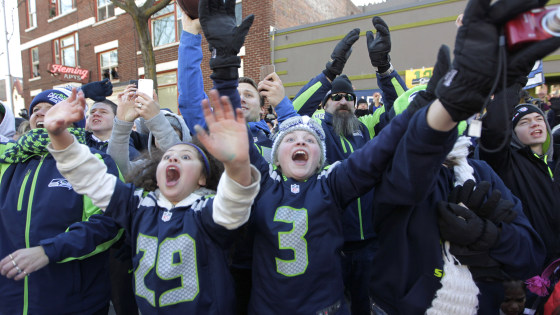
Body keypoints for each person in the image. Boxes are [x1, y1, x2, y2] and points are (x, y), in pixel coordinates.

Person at [368, 0, 556, 312]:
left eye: (448, 112)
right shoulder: (392, 176)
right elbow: (413, 165)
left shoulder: (480, 171)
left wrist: (492, 237)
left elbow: (531, 253)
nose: (442, 122)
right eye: (429, 116)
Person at [34, 85, 260, 314]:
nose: (174, 159)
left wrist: (237, 164)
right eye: (168, 157)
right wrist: (58, 135)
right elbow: (90, 177)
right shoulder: (138, 204)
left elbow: (234, 201)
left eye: (185, 157)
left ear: (203, 177)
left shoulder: (207, 210)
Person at [0, 87, 122, 315]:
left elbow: (110, 224)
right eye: (36, 110)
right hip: (9, 301)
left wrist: (49, 251)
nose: (41, 114)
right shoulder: (7, 161)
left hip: (72, 302)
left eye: (53, 109)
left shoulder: (95, 161)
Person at [108, 85, 191, 178]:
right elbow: (118, 169)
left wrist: (155, 119)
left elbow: (179, 163)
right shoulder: (147, 167)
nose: (161, 134)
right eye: (156, 131)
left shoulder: (193, 165)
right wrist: (122, 124)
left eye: (172, 130)